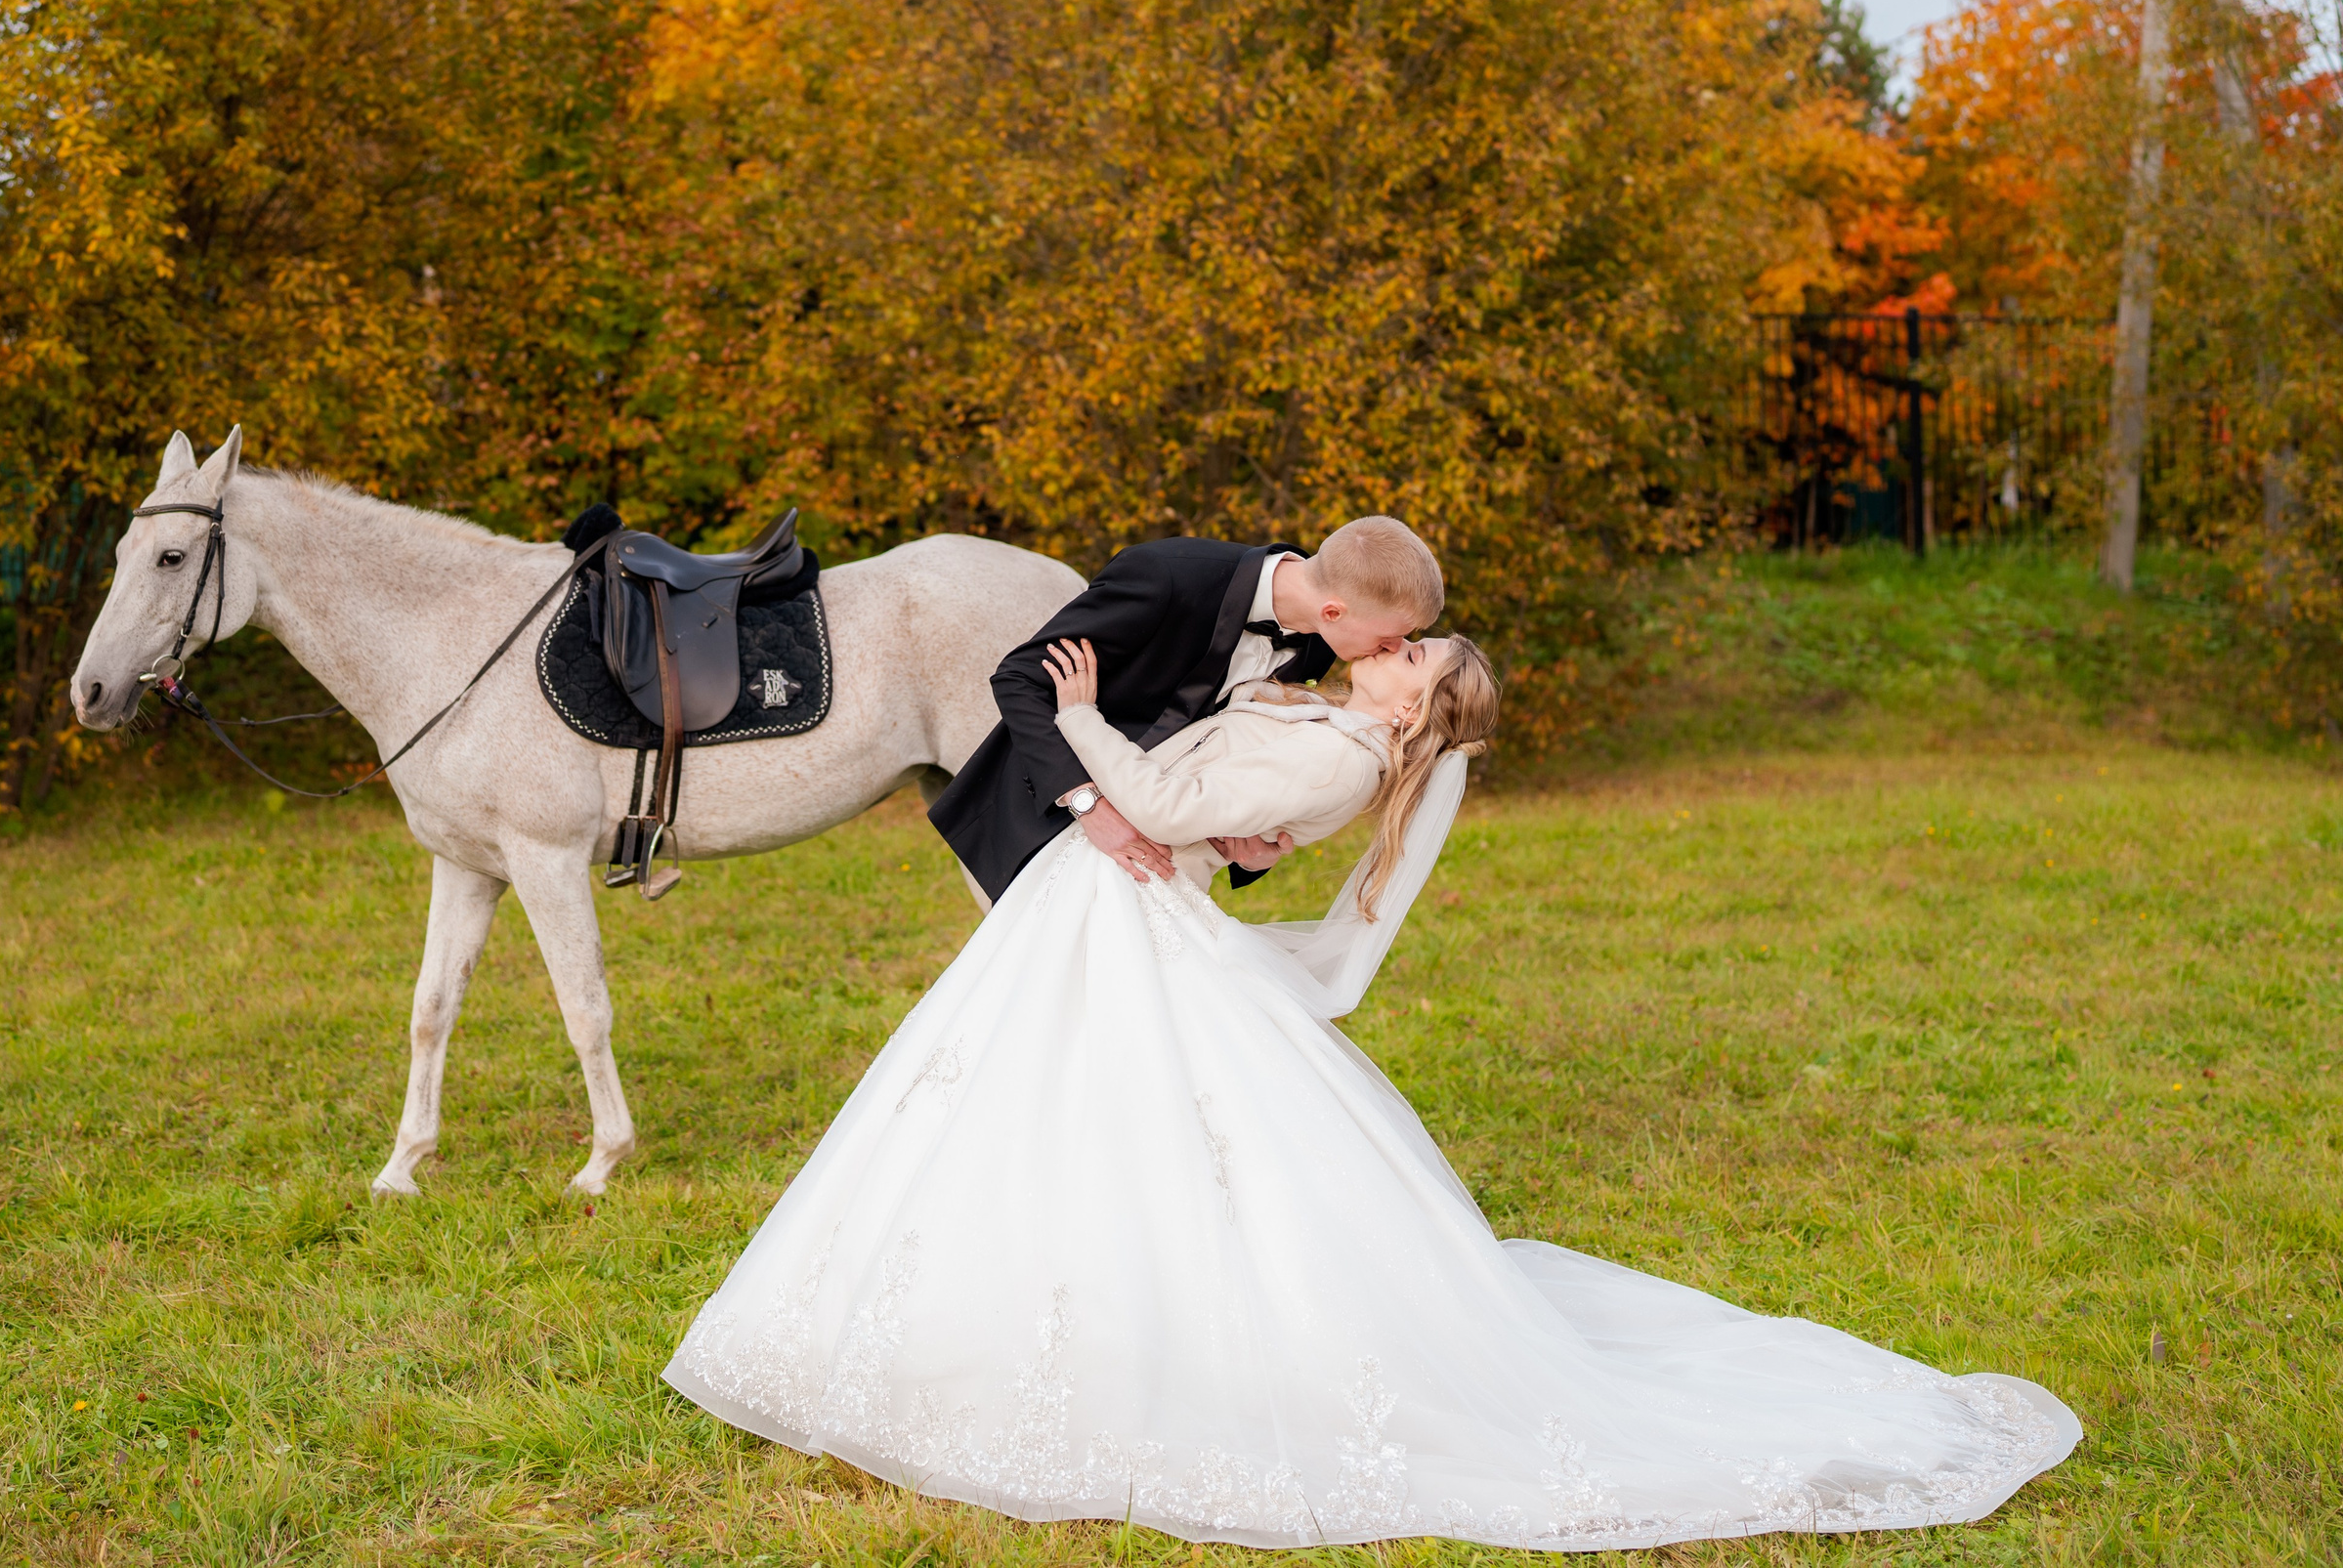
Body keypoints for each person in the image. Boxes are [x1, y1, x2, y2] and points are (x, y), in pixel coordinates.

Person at [667, 632, 2079, 1550]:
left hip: (1123, 903)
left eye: (1414, 652)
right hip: (1108, 914)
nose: (1391, 648)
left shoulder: (1344, 747)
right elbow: (1223, 795)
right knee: (1041, 1114)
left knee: (1089, 1122)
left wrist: (1084, 719)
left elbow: (1160, 812)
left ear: (1413, 702)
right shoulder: (1330, 729)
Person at [927, 516, 1446, 903]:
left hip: (1157, 867)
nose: (1391, 649)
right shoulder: (1167, 575)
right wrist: (1090, 807)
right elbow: (1020, 678)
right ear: (1334, 611)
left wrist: (1252, 854)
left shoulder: (1321, 640)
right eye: (1391, 637)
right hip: (1039, 821)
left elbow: (1246, 766)